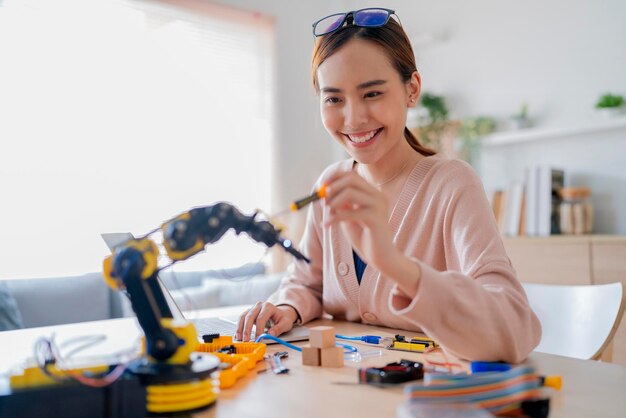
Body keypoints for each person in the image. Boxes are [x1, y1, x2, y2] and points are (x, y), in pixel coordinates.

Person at [236, 7, 541, 362]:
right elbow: (308, 282)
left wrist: (395, 263)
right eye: (334, 98)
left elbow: (514, 330)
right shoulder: (330, 184)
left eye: (372, 94)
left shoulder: (452, 184)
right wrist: (288, 307)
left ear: (412, 89)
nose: (353, 118)